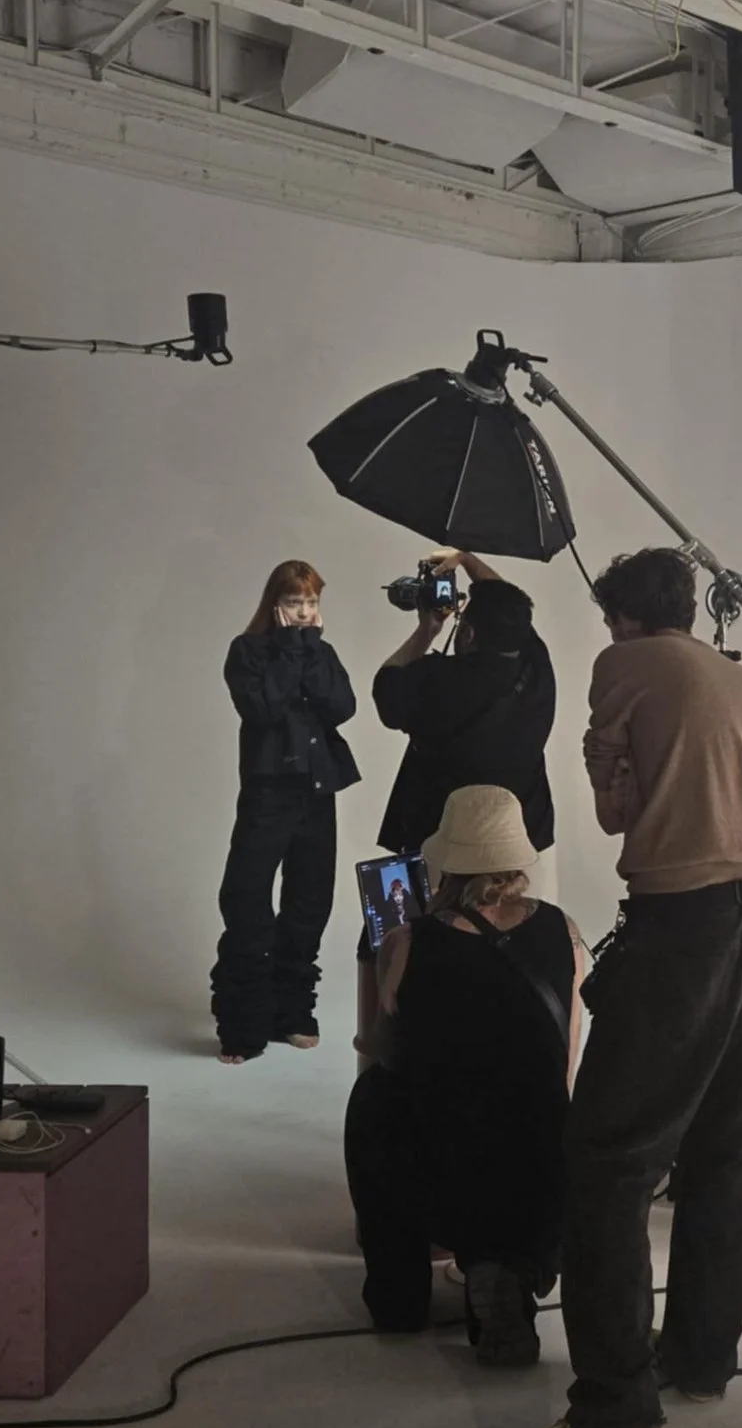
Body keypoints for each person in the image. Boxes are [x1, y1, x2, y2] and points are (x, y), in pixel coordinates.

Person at [512, 548, 742, 1428]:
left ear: (623, 617)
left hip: (685, 928)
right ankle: (701, 1357)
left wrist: (604, 759)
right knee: (728, 1144)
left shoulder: (621, 666)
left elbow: (618, 812)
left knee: (608, 1158)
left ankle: (615, 1400)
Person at [342, 786, 586, 1366]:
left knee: (373, 1099)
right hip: (535, 1162)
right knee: (531, 1105)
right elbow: (566, 1058)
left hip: (441, 1158)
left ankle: (400, 1299)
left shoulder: (407, 941)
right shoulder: (565, 931)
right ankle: (503, 1272)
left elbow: (382, 1046)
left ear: (445, 861)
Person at [362, 551, 557, 1055]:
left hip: (425, 833)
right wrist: (468, 558)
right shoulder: (536, 669)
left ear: (468, 634)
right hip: (516, 839)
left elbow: (385, 687)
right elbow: (510, 606)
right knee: (504, 944)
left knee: (388, 940)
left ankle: (383, 1050)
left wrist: (427, 629)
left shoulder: (435, 679)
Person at [210, 559, 358, 1060]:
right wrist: (293, 649)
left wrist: (309, 649)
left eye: (312, 602)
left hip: (317, 792)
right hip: (268, 792)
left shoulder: (322, 651)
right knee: (246, 898)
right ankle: (243, 1025)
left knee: (309, 902)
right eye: (295, 602)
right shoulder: (247, 651)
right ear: (274, 603)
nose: (304, 611)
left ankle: (292, 1012)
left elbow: (342, 707)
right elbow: (263, 709)